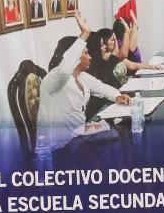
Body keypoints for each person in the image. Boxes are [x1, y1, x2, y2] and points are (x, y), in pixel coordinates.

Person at [36, 14, 130, 162]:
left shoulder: (81, 76)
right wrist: (85, 34)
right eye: (86, 53)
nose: (91, 57)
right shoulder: (55, 80)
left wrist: (117, 95)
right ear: (74, 56)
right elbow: (65, 68)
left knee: (120, 136)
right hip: (60, 152)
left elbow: (102, 87)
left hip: (79, 139)